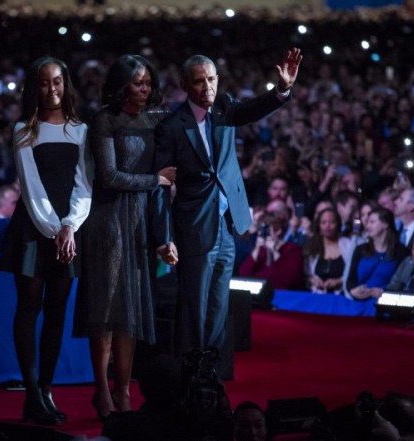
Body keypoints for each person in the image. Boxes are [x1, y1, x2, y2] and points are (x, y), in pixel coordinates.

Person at [153, 48, 302, 354]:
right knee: (193, 305)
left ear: (218, 80)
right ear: (184, 85)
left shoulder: (224, 106)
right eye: (198, 81)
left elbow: (253, 109)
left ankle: (212, 375)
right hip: (193, 227)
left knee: (219, 304)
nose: (206, 87)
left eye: (211, 80)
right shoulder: (170, 127)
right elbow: (161, 188)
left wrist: (282, 89)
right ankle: (190, 376)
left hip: (227, 223)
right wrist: (165, 237)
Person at [75, 55, 176, 421]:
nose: (145, 88)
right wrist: (156, 180)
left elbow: (165, 175)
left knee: (130, 311)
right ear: (121, 86)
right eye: (138, 83)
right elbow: (109, 176)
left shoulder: (155, 119)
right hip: (106, 223)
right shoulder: (104, 120)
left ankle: (124, 388)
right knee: (106, 311)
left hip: (138, 225)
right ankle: (101, 390)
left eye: (148, 81)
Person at [0, 55, 92, 425]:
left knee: (56, 314)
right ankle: (31, 392)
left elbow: (85, 185)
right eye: (43, 82)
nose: (51, 89)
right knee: (29, 308)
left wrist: (70, 225)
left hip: (69, 230)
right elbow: (31, 188)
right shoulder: (25, 129)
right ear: (33, 87)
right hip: (34, 229)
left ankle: (47, 391)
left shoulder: (81, 130)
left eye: (57, 82)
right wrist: (57, 229)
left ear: (66, 84)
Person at [346, 208, 409, 300]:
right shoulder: (360, 249)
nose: (367, 226)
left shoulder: (401, 252)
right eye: (368, 223)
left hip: (384, 304)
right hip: (359, 302)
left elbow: (403, 284)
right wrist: (353, 291)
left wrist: (383, 292)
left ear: (385, 224)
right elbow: (351, 280)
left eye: (372, 222)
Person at [238, 206, 305, 290]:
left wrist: (275, 252)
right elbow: (244, 274)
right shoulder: (261, 250)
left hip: (284, 296)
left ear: (279, 231)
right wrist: (257, 250)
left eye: (269, 229)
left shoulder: (293, 250)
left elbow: (290, 279)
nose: (266, 232)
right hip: (260, 295)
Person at [304, 208, 354, 294]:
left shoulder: (349, 245)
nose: (328, 226)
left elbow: (354, 273)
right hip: (317, 295)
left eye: (332, 222)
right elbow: (306, 274)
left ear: (338, 224)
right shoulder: (312, 245)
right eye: (323, 223)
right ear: (319, 226)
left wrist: (340, 281)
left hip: (341, 295)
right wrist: (312, 280)